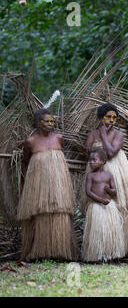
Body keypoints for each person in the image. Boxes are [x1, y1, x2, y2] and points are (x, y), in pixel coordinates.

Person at [17, 108, 78, 261]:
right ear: (38, 123)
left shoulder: (59, 138)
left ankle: (61, 251)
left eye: (52, 121)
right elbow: (25, 163)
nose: (51, 124)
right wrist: (26, 184)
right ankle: (39, 252)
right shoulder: (31, 142)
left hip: (59, 182)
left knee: (60, 211)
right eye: (47, 121)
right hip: (38, 184)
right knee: (40, 214)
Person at [85, 103, 128, 256]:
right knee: (99, 205)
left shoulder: (118, 134)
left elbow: (110, 152)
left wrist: (103, 136)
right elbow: (87, 149)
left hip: (117, 170)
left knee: (120, 203)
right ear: (101, 117)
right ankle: (101, 245)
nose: (111, 120)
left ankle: (123, 245)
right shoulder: (92, 134)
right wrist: (97, 144)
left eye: (114, 118)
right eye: (108, 117)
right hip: (96, 171)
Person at [82, 148, 125, 262]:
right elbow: (88, 192)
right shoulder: (90, 176)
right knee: (97, 233)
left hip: (109, 207)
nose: (91, 162)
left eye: (94, 160)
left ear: (103, 161)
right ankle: (96, 255)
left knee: (109, 231)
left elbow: (115, 191)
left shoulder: (109, 175)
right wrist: (101, 200)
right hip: (96, 207)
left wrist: (109, 190)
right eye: (90, 160)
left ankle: (111, 253)